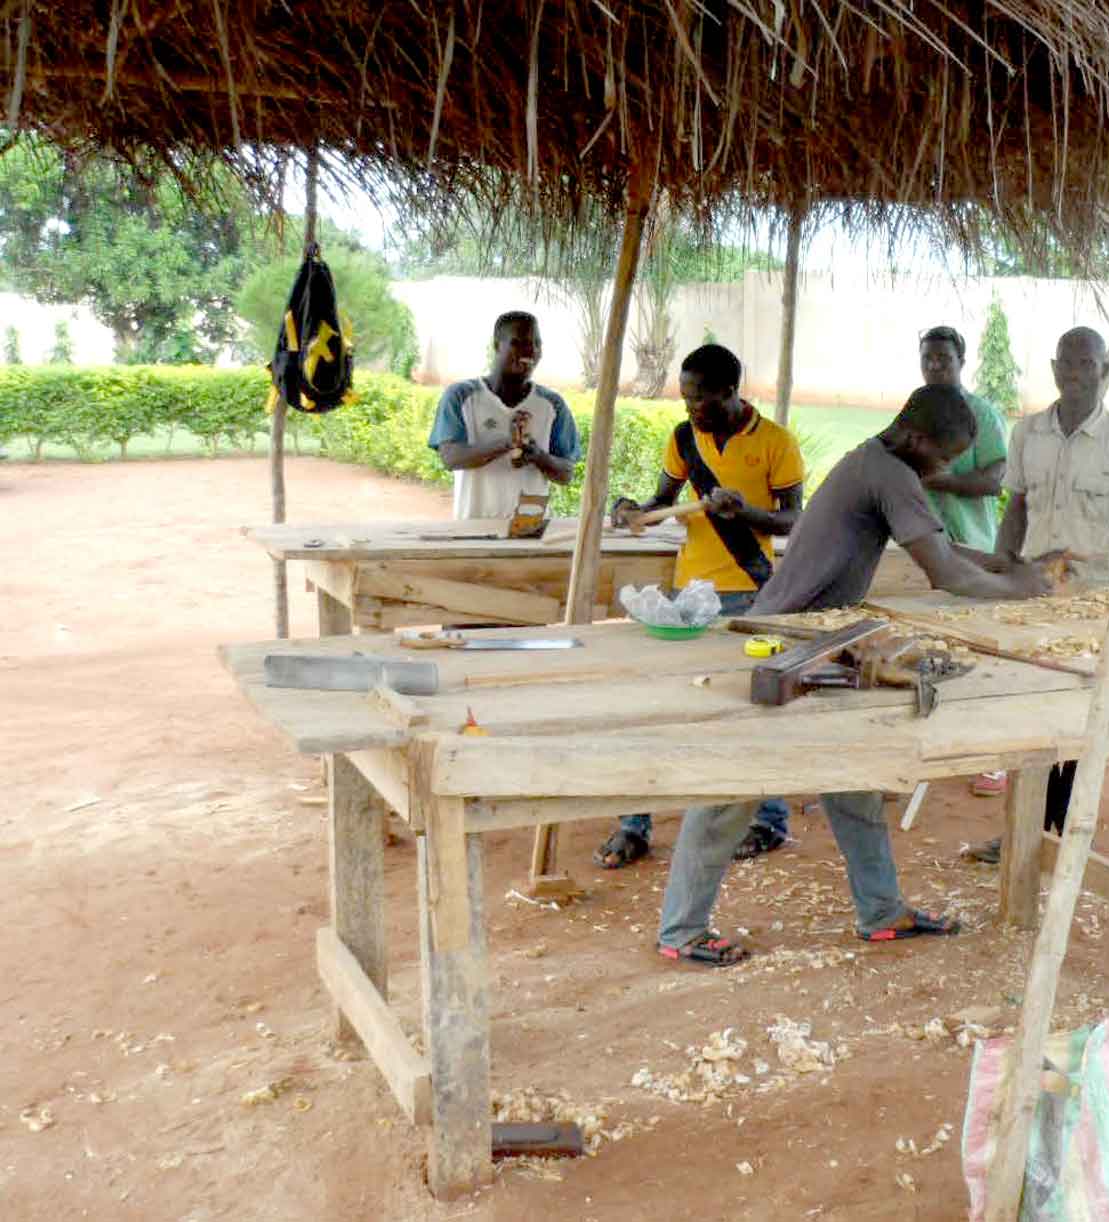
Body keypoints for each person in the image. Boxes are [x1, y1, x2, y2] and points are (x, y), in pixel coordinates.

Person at [656, 384, 1059, 966]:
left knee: (853, 777)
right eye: (943, 458)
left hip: (819, 637)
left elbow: (942, 547)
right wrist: (1017, 592)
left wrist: (1005, 566)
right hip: (783, 640)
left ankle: (881, 911)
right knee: (734, 788)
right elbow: (944, 573)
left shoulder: (879, 461)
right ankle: (680, 931)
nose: (942, 470)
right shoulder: (888, 472)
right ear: (918, 439)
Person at [598, 344, 806, 868]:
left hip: (750, 594)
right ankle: (635, 823)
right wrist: (634, 512)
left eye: (701, 399)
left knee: (753, 711)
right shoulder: (682, 437)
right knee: (661, 708)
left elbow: (795, 520)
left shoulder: (777, 443)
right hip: (688, 597)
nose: (690, 408)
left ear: (730, 393)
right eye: (686, 397)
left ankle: (769, 821)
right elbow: (661, 500)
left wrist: (746, 511)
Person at [966, 326, 1109, 865]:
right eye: (1065, 363)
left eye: (1086, 364)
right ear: (1053, 369)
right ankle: (1022, 835)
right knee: (1031, 715)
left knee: (1081, 721)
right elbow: (1016, 509)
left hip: (1092, 599)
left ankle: (1065, 836)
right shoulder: (1028, 434)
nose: (1074, 373)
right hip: (1034, 591)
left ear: (1104, 370)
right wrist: (1000, 575)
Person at [915, 324, 1018, 799]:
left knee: (978, 653)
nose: (935, 366)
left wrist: (942, 482)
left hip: (970, 545)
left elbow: (998, 479)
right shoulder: (916, 409)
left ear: (961, 361)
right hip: (920, 549)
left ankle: (993, 758)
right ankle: (924, 749)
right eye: (928, 358)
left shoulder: (982, 415)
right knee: (920, 650)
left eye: (944, 359)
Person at [427, 311, 579, 517]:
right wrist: (507, 444)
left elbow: (566, 473)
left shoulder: (552, 404)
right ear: (497, 345)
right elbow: (451, 457)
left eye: (536, 344)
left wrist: (539, 457)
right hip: (474, 531)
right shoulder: (461, 396)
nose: (530, 351)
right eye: (519, 343)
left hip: (530, 533)